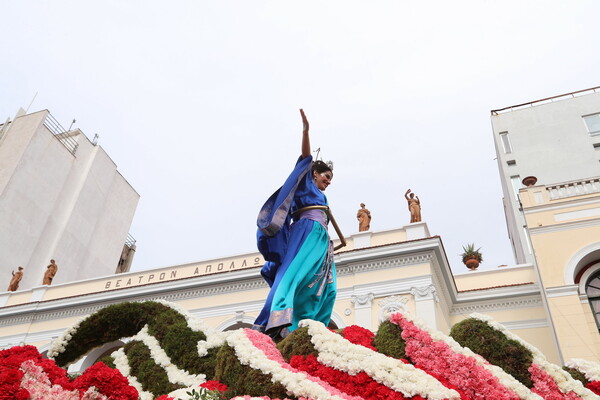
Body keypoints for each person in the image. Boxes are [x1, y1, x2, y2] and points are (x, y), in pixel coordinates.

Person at [253, 109, 336, 338]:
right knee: (293, 274)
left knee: (326, 286)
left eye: (330, 179)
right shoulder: (307, 184)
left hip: (322, 239)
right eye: (325, 177)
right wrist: (306, 131)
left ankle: (309, 325)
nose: (328, 182)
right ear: (315, 174)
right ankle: (277, 319)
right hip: (306, 231)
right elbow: (306, 157)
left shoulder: (323, 198)